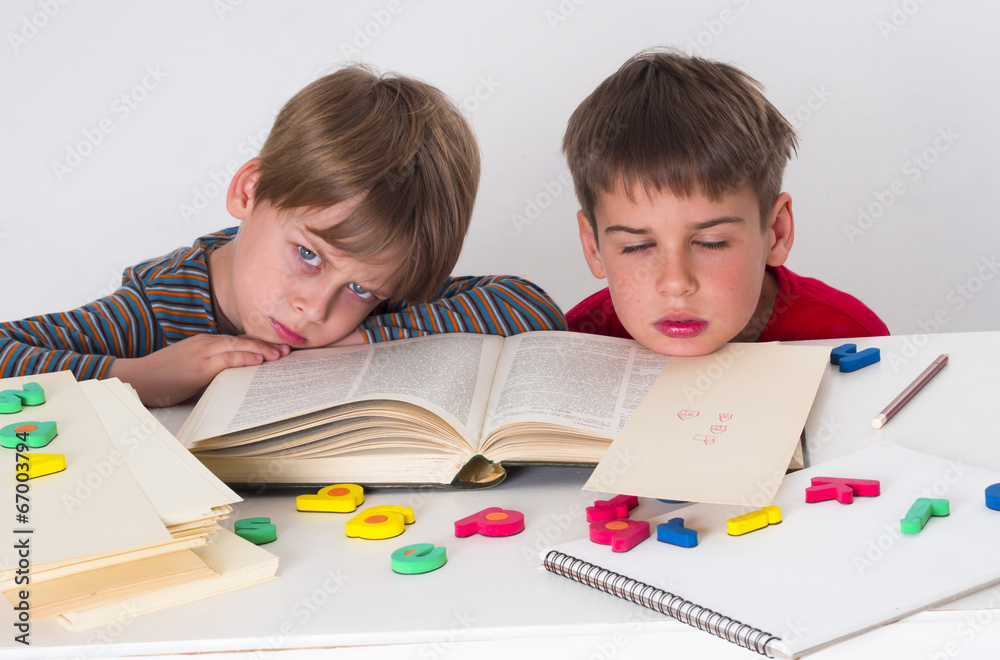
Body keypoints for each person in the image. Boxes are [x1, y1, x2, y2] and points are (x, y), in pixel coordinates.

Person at [0, 65, 565, 407]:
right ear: (250, 191)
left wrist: (364, 341)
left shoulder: (364, 310)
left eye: (363, 290)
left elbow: (530, 307)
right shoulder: (161, 309)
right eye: (307, 255)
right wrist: (138, 378)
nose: (316, 310)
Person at [562, 49, 888, 356]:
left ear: (776, 231)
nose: (676, 283)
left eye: (711, 243)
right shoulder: (578, 343)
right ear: (593, 247)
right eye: (636, 246)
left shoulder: (847, 337)